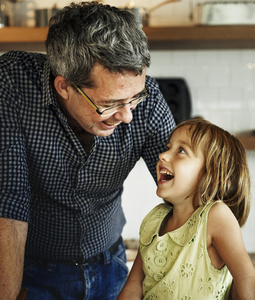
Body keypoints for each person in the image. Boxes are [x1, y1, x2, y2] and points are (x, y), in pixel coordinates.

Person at [0, 2, 175, 299]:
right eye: (110, 104)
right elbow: (9, 203)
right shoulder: (12, 84)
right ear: (64, 86)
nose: (127, 115)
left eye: (134, 97)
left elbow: (189, 193)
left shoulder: (147, 100)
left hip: (112, 264)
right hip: (31, 270)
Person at [117, 117, 255, 300]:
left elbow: (251, 284)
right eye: (168, 147)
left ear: (211, 172)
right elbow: (133, 286)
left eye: (181, 150)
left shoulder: (216, 217)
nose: (163, 155)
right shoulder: (154, 220)